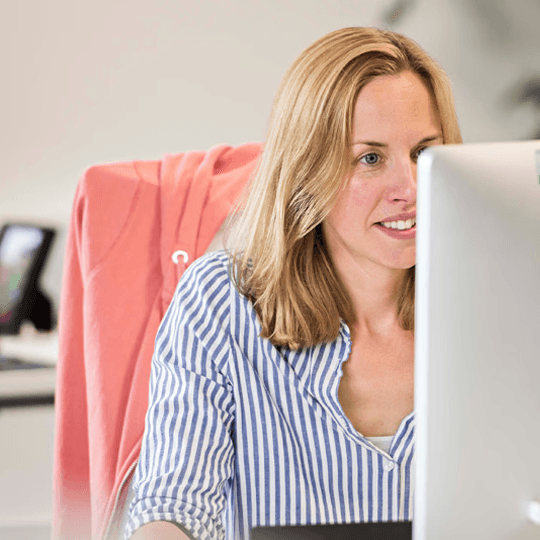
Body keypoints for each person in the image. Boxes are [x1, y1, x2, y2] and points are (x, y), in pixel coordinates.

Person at [125, 26, 462, 540]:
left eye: (422, 153)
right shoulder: (222, 303)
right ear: (309, 171)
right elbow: (173, 505)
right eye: (370, 158)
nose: (409, 189)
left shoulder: (499, 299)